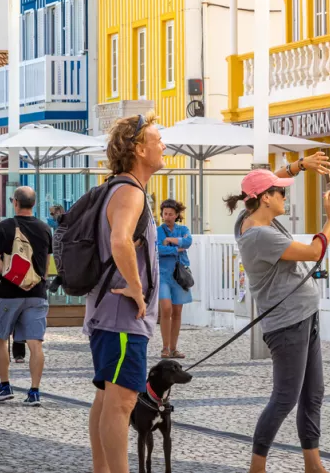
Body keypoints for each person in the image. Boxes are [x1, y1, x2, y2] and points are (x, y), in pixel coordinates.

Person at [224, 153, 330, 473]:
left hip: (305, 314)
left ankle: (313, 465)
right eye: (280, 192)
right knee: (285, 397)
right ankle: (256, 467)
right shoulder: (260, 236)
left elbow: (269, 178)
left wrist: (300, 166)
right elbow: (315, 251)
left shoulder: (252, 218)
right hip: (287, 323)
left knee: (313, 393)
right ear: (264, 199)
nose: (285, 195)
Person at [86, 112, 163, 473]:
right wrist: (136, 287)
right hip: (121, 315)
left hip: (108, 312)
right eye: (157, 139)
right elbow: (120, 241)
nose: (164, 146)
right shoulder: (129, 192)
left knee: (106, 397)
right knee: (122, 402)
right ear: (138, 148)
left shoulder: (116, 187)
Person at [0, 186, 52, 407]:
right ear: (33, 203)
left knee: (1, 339)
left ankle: (5, 386)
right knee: (36, 343)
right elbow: (46, 265)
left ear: (15, 202)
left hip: (8, 293)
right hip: (37, 294)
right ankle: (34, 391)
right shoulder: (45, 229)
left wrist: (8, 274)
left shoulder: (5, 226)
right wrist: (37, 281)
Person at [156, 199, 192, 359]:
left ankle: (173, 348)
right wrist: (177, 249)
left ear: (177, 215)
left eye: (171, 214)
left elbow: (188, 241)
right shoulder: (158, 230)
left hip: (179, 275)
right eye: (165, 214)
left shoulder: (183, 228)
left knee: (177, 311)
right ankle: (164, 347)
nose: (167, 217)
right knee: (165, 308)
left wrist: (170, 241)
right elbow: (158, 249)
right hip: (163, 274)